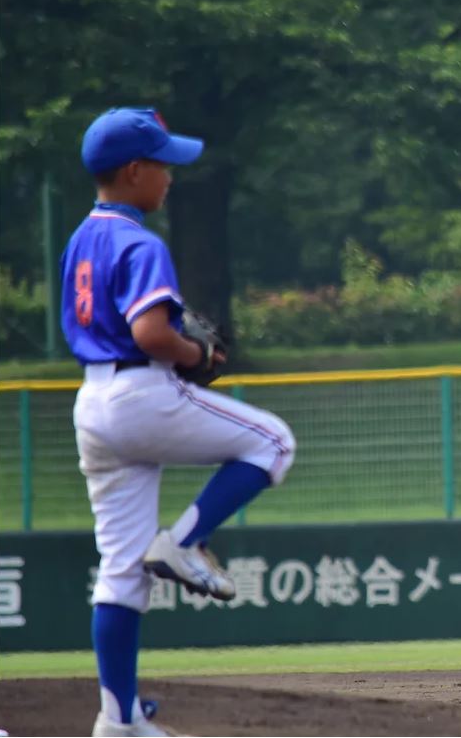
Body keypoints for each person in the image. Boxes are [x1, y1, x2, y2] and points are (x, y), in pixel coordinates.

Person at [61, 107, 296, 737]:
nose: (170, 177)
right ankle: (187, 540)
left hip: (94, 403)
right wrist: (196, 355)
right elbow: (150, 333)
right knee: (273, 441)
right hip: (141, 392)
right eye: (162, 165)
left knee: (120, 571)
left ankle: (118, 720)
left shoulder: (83, 238)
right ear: (134, 171)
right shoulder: (140, 241)